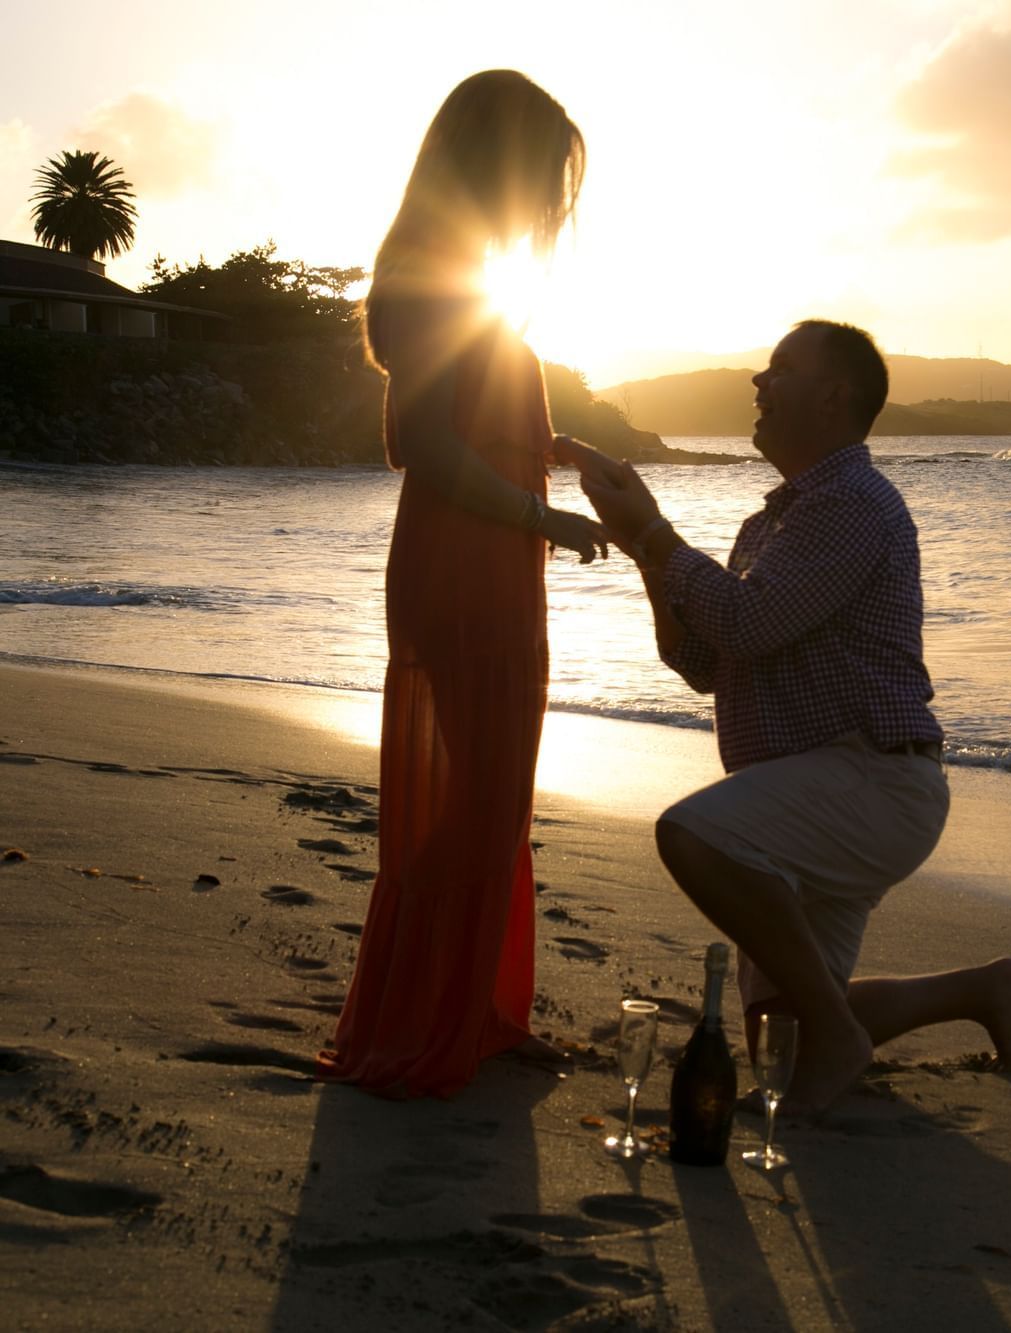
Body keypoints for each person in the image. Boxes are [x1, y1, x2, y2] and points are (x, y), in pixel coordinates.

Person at [573, 320, 1011, 1113]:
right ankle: (981, 989)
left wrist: (653, 529)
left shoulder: (850, 502)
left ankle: (839, 1032)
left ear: (832, 394)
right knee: (777, 1042)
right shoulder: (774, 520)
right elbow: (706, 665)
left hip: (870, 778)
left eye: (779, 368)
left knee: (693, 835)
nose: (758, 381)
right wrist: (645, 547)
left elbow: (743, 623)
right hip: (817, 789)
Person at [318, 70, 608, 1098]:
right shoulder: (433, 268)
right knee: (466, 798)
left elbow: (479, 429)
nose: (550, 208)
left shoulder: (459, 270)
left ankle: (474, 1004)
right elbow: (427, 445)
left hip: (492, 567)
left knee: (490, 794)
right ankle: (427, 1015)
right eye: (545, 181)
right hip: (462, 568)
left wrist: (564, 457)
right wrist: (543, 514)